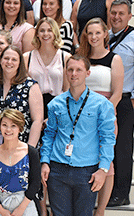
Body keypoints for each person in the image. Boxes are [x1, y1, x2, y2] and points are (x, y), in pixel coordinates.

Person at [40, 55, 116, 216]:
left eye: (79, 70)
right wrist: (45, 162)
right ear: (66, 72)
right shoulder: (55, 104)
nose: (74, 74)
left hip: (87, 171)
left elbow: (108, 139)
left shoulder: (102, 104)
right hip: (58, 169)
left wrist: (103, 169)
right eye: (70, 70)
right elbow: (49, 135)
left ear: (87, 73)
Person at [106, 0, 134, 207]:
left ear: (129, 16)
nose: (116, 17)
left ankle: (122, 193)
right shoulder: (104, 36)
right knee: (107, 147)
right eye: (113, 13)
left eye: (121, 14)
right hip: (104, 100)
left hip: (125, 101)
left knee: (122, 148)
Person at [76, 17, 123, 214]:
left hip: (104, 115)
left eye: (98, 32)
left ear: (105, 34)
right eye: (90, 33)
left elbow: (117, 93)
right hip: (81, 113)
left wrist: (102, 114)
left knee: (106, 162)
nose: (94, 37)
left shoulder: (115, 59)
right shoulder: (80, 57)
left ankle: (100, 209)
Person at [0, 46, 43, 147]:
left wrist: (30, 149)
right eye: (6, 58)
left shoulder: (30, 86)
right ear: (0, 60)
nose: (9, 62)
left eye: (14, 59)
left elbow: (37, 121)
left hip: (22, 144)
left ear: (20, 63)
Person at [0, 109, 41, 216]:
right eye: (4, 125)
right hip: (1, 204)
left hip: (26, 203)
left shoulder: (31, 153)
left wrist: (21, 208)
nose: (8, 129)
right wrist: (0, 209)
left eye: (13, 125)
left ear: (20, 128)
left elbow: (35, 182)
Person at [25, 17, 72, 117]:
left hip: (59, 108)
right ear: (37, 34)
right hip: (33, 108)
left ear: (55, 33)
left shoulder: (66, 57)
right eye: (42, 30)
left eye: (50, 30)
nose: (45, 34)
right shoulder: (26, 58)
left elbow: (67, 90)